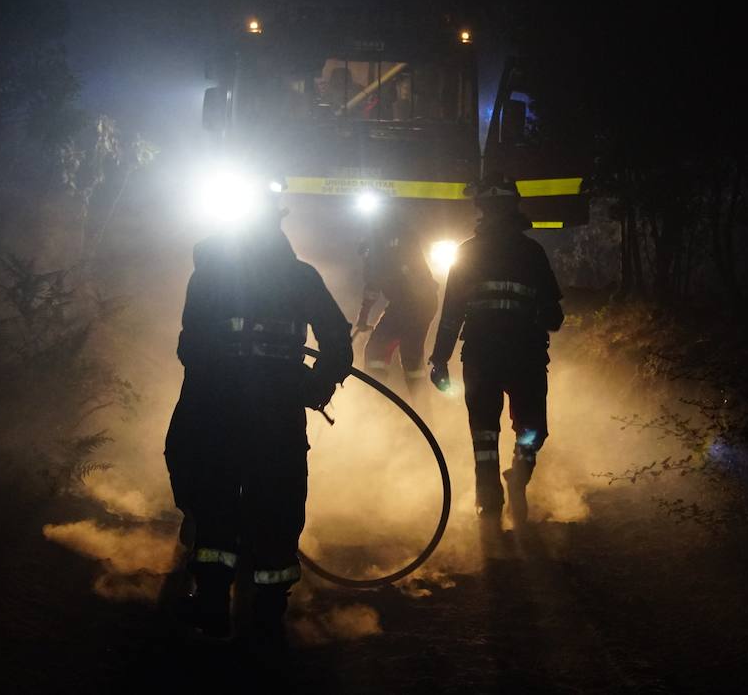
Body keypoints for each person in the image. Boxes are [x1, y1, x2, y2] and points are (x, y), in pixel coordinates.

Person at [163, 184, 352, 647]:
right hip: (277, 407)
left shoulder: (209, 274)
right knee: (278, 498)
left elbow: (190, 345)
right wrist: (313, 385)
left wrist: (214, 379)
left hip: (217, 404)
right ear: (276, 223)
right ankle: (268, 613)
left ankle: (211, 602)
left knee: (213, 494)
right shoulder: (301, 277)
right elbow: (339, 344)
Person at [427, 173, 564, 528]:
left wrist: (439, 360)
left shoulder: (470, 252)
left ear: (483, 210)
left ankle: (493, 500)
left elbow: (451, 315)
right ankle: (512, 483)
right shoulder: (531, 253)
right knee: (530, 430)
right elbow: (555, 317)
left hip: (487, 356)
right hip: (523, 356)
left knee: (485, 435)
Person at [355, 209, 439, 404]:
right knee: (411, 359)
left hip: (410, 304)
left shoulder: (377, 245)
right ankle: (422, 410)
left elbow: (373, 286)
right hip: (420, 302)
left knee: (376, 350)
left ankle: (376, 404)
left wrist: (363, 317)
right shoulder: (399, 235)